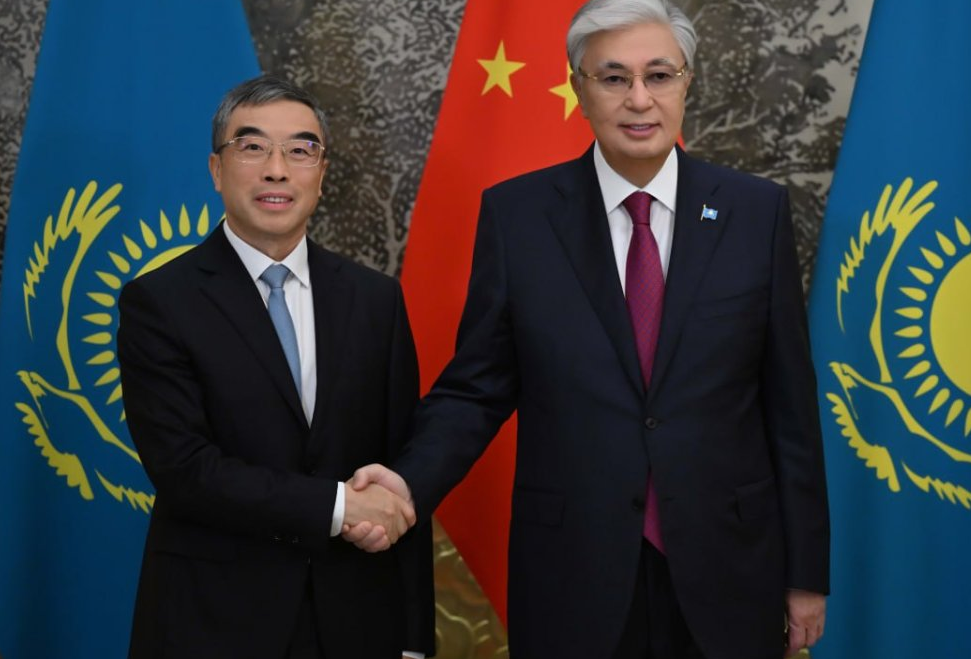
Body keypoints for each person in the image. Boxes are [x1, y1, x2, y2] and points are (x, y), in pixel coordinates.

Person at [346, 1, 829, 658]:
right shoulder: (518, 216)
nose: (639, 99)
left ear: (686, 82)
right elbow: (476, 388)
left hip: (730, 567)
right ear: (578, 86)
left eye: (658, 75)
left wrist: (805, 574)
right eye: (613, 77)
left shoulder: (755, 211)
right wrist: (406, 482)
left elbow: (789, 408)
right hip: (573, 570)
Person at [117, 75, 435, 659]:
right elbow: (185, 470)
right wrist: (338, 506)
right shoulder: (159, 302)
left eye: (300, 150)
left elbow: (399, 469)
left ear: (322, 172)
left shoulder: (375, 299)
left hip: (357, 622)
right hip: (214, 623)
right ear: (217, 169)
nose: (277, 170)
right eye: (253, 147)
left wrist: (413, 638)